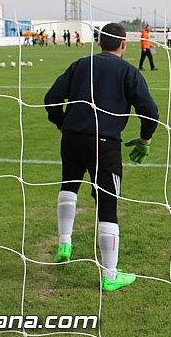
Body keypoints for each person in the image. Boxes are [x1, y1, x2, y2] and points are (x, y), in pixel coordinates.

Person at [44, 23, 159, 292]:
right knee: (107, 204)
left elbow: (51, 99)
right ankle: (109, 274)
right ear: (123, 44)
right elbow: (150, 112)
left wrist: (64, 123)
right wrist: (144, 141)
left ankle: (64, 241)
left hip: (72, 139)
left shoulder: (80, 65)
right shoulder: (128, 71)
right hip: (105, 143)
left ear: (99, 43)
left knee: (69, 184)